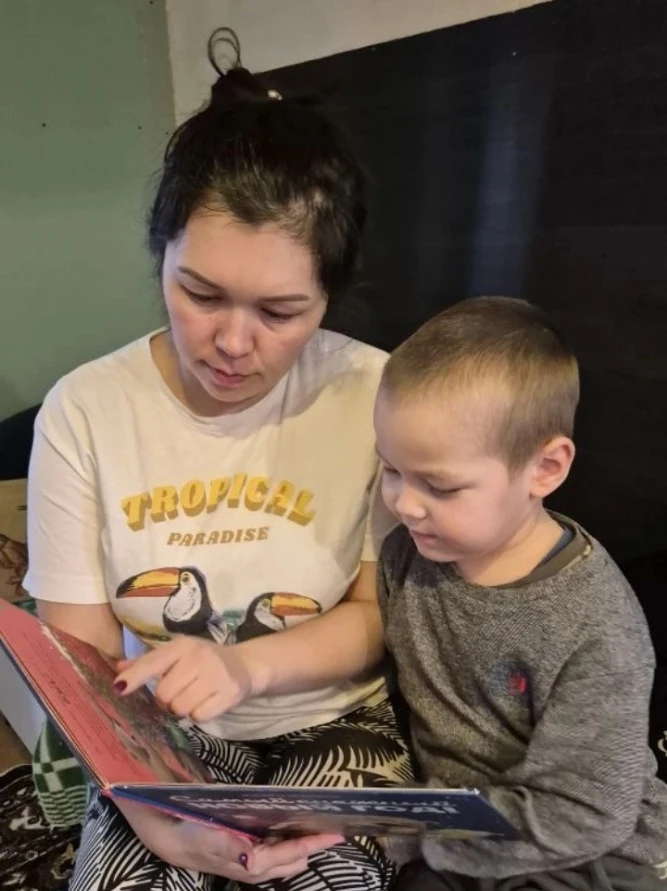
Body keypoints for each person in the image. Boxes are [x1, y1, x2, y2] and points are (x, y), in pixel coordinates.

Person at [24, 28, 413, 891]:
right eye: (199, 294)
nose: (233, 343)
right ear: (160, 255)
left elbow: (378, 614)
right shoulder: (83, 412)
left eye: (280, 312)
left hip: (332, 726)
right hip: (159, 734)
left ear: (329, 295)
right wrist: (159, 828)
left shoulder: (373, 393)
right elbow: (81, 662)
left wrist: (242, 665)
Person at [373, 297, 667, 891]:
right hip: (461, 832)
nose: (404, 504)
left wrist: (410, 834)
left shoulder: (596, 628)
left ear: (546, 469)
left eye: (440, 486)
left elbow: (584, 814)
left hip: (591, 856)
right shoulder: (409, 553)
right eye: (392, 469)